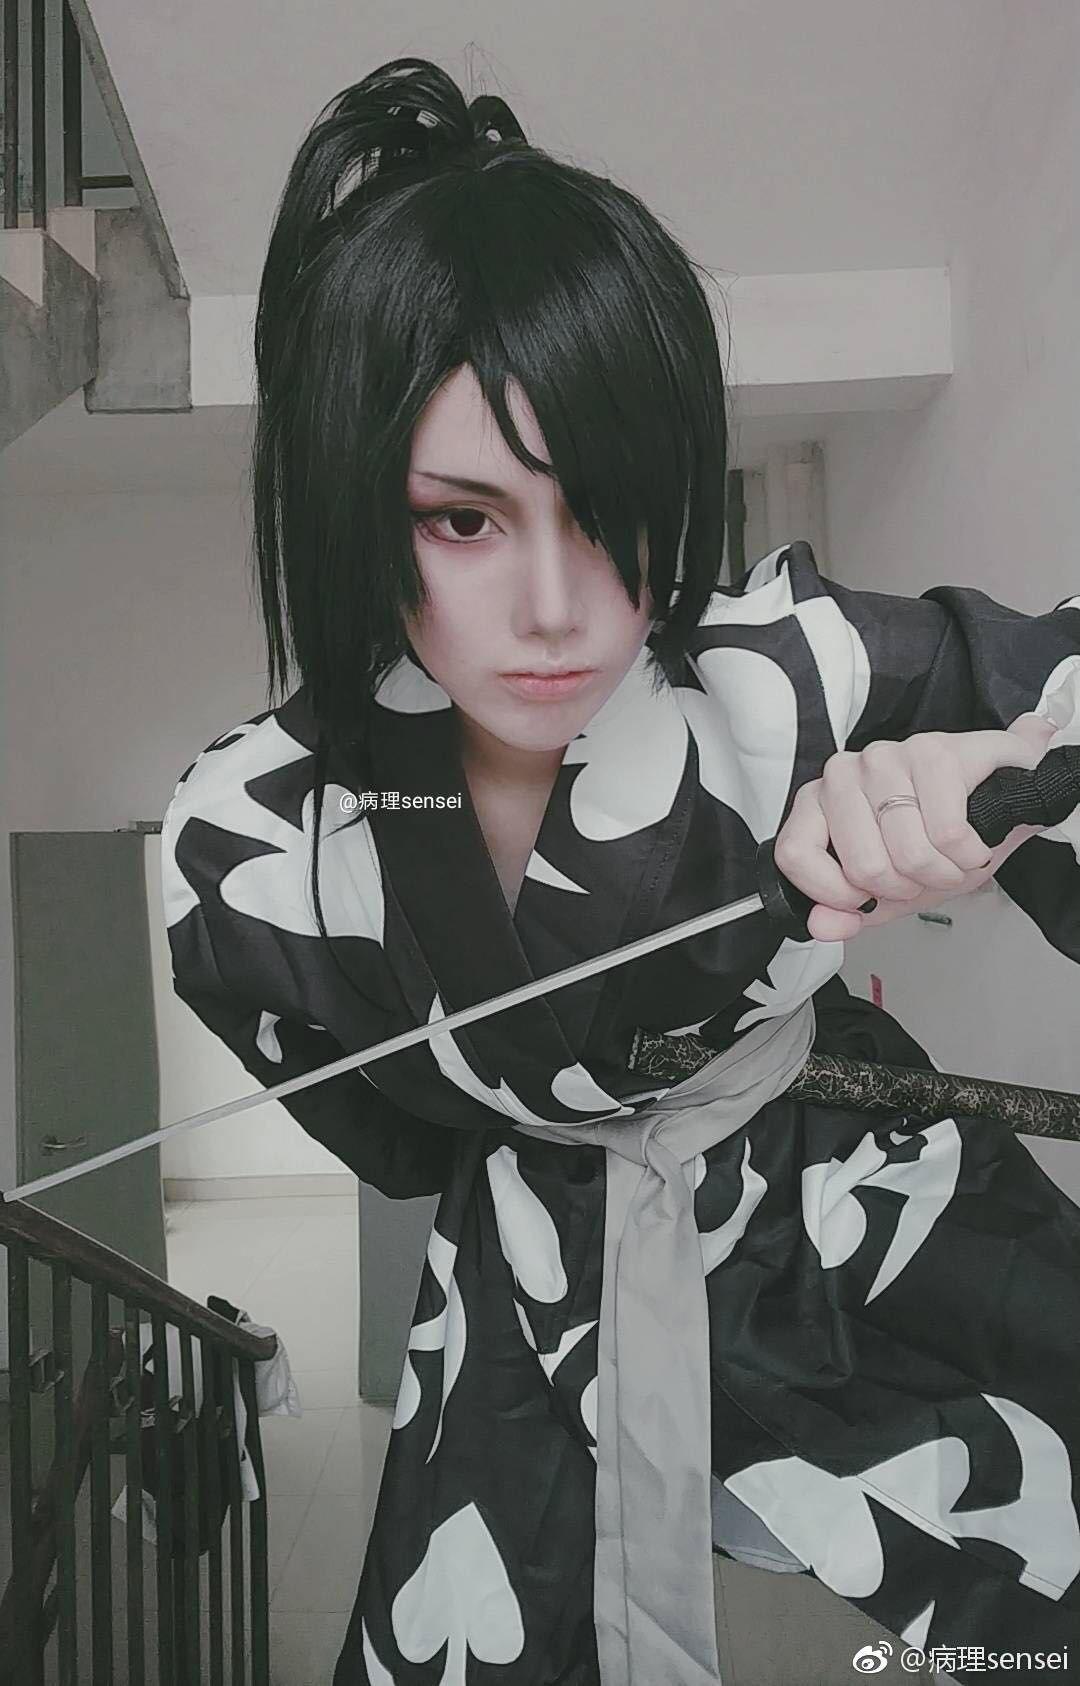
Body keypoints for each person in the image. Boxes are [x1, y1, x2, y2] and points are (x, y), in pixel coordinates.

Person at [160, 56, 1080, 1685]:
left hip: (840, 1182)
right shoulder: (245, 839)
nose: (560, 605)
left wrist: (985, 777)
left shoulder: (781, 668)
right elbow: (392, 1130)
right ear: (358, 506)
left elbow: (1056, 694)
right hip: (532, 1280)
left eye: (608, 509)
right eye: (464, 520)